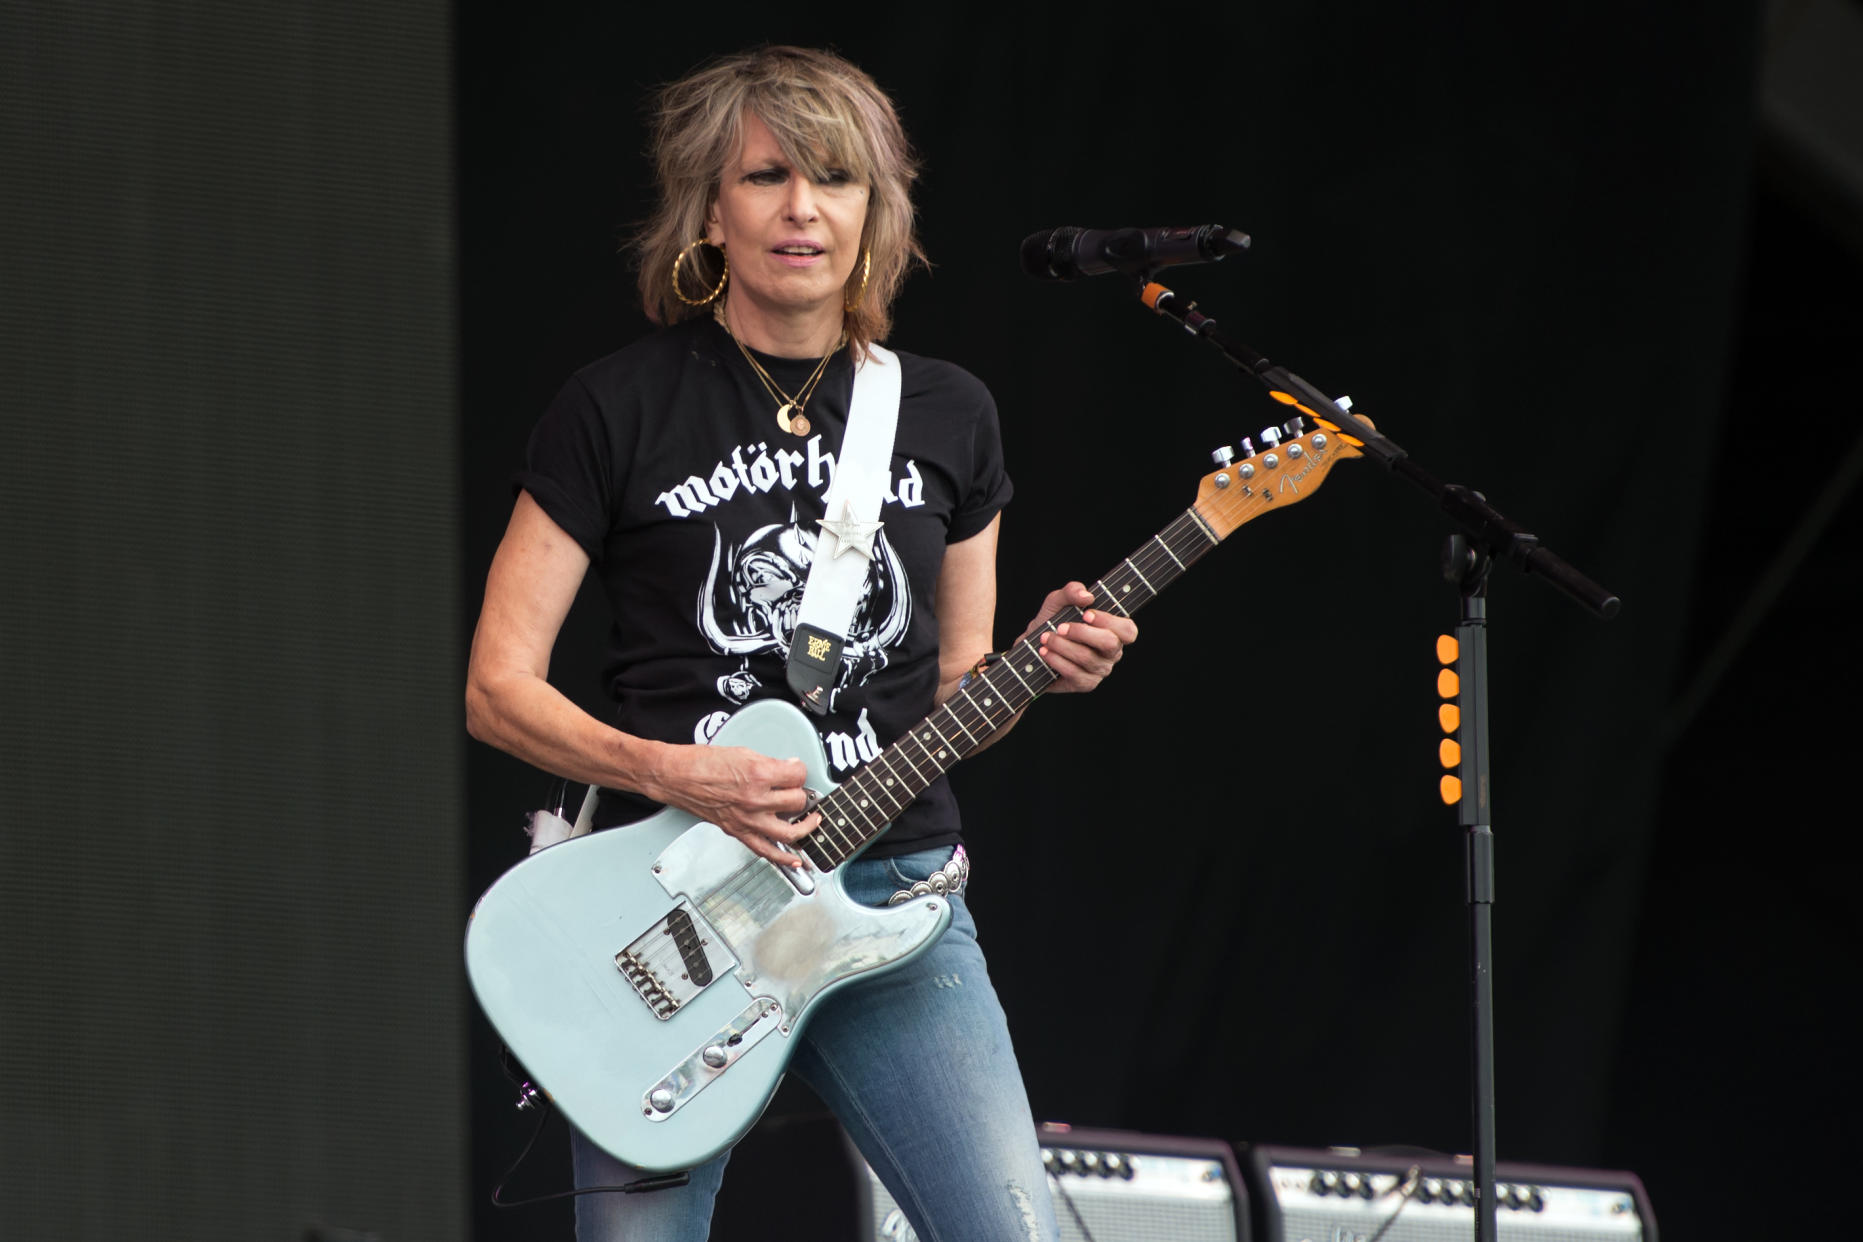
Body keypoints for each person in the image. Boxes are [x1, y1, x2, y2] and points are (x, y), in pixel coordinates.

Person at [466, 45, 1136, 1241]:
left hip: (895, 898)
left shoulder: (947, 412)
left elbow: (963, 690)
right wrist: (675, 772)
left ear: (877, 208)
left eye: (835, 179)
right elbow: (496, 691)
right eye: (767, 176)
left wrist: (1040, 663)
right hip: (674, 903)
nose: (801, 210)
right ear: (709, 209)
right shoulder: (615, 408)